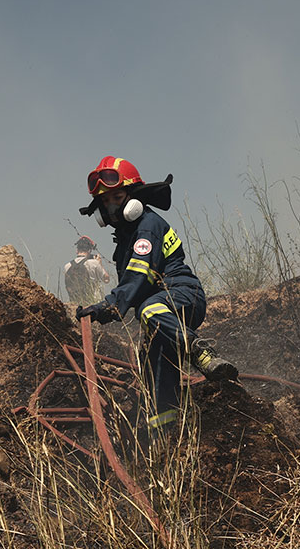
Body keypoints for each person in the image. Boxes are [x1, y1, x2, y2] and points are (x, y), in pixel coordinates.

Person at [75, 156, 238, 433]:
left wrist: (108, 305)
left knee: (149, 310)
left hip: (183, 295)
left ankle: (201, 352)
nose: (111, 206)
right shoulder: (125, 239)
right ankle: (166, 433)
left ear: (133, 198)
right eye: (105, 201)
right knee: (153, 365)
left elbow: (139, 277)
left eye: (117, 196)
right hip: (158, 308)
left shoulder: (147, 227)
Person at [64, 235, 110, 306]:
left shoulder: (67, 266)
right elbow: (106, 279)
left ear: (77, 250)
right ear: (89, 250)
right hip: (93, 304)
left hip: (75, 305)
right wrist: (99, 263)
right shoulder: (94, 263)